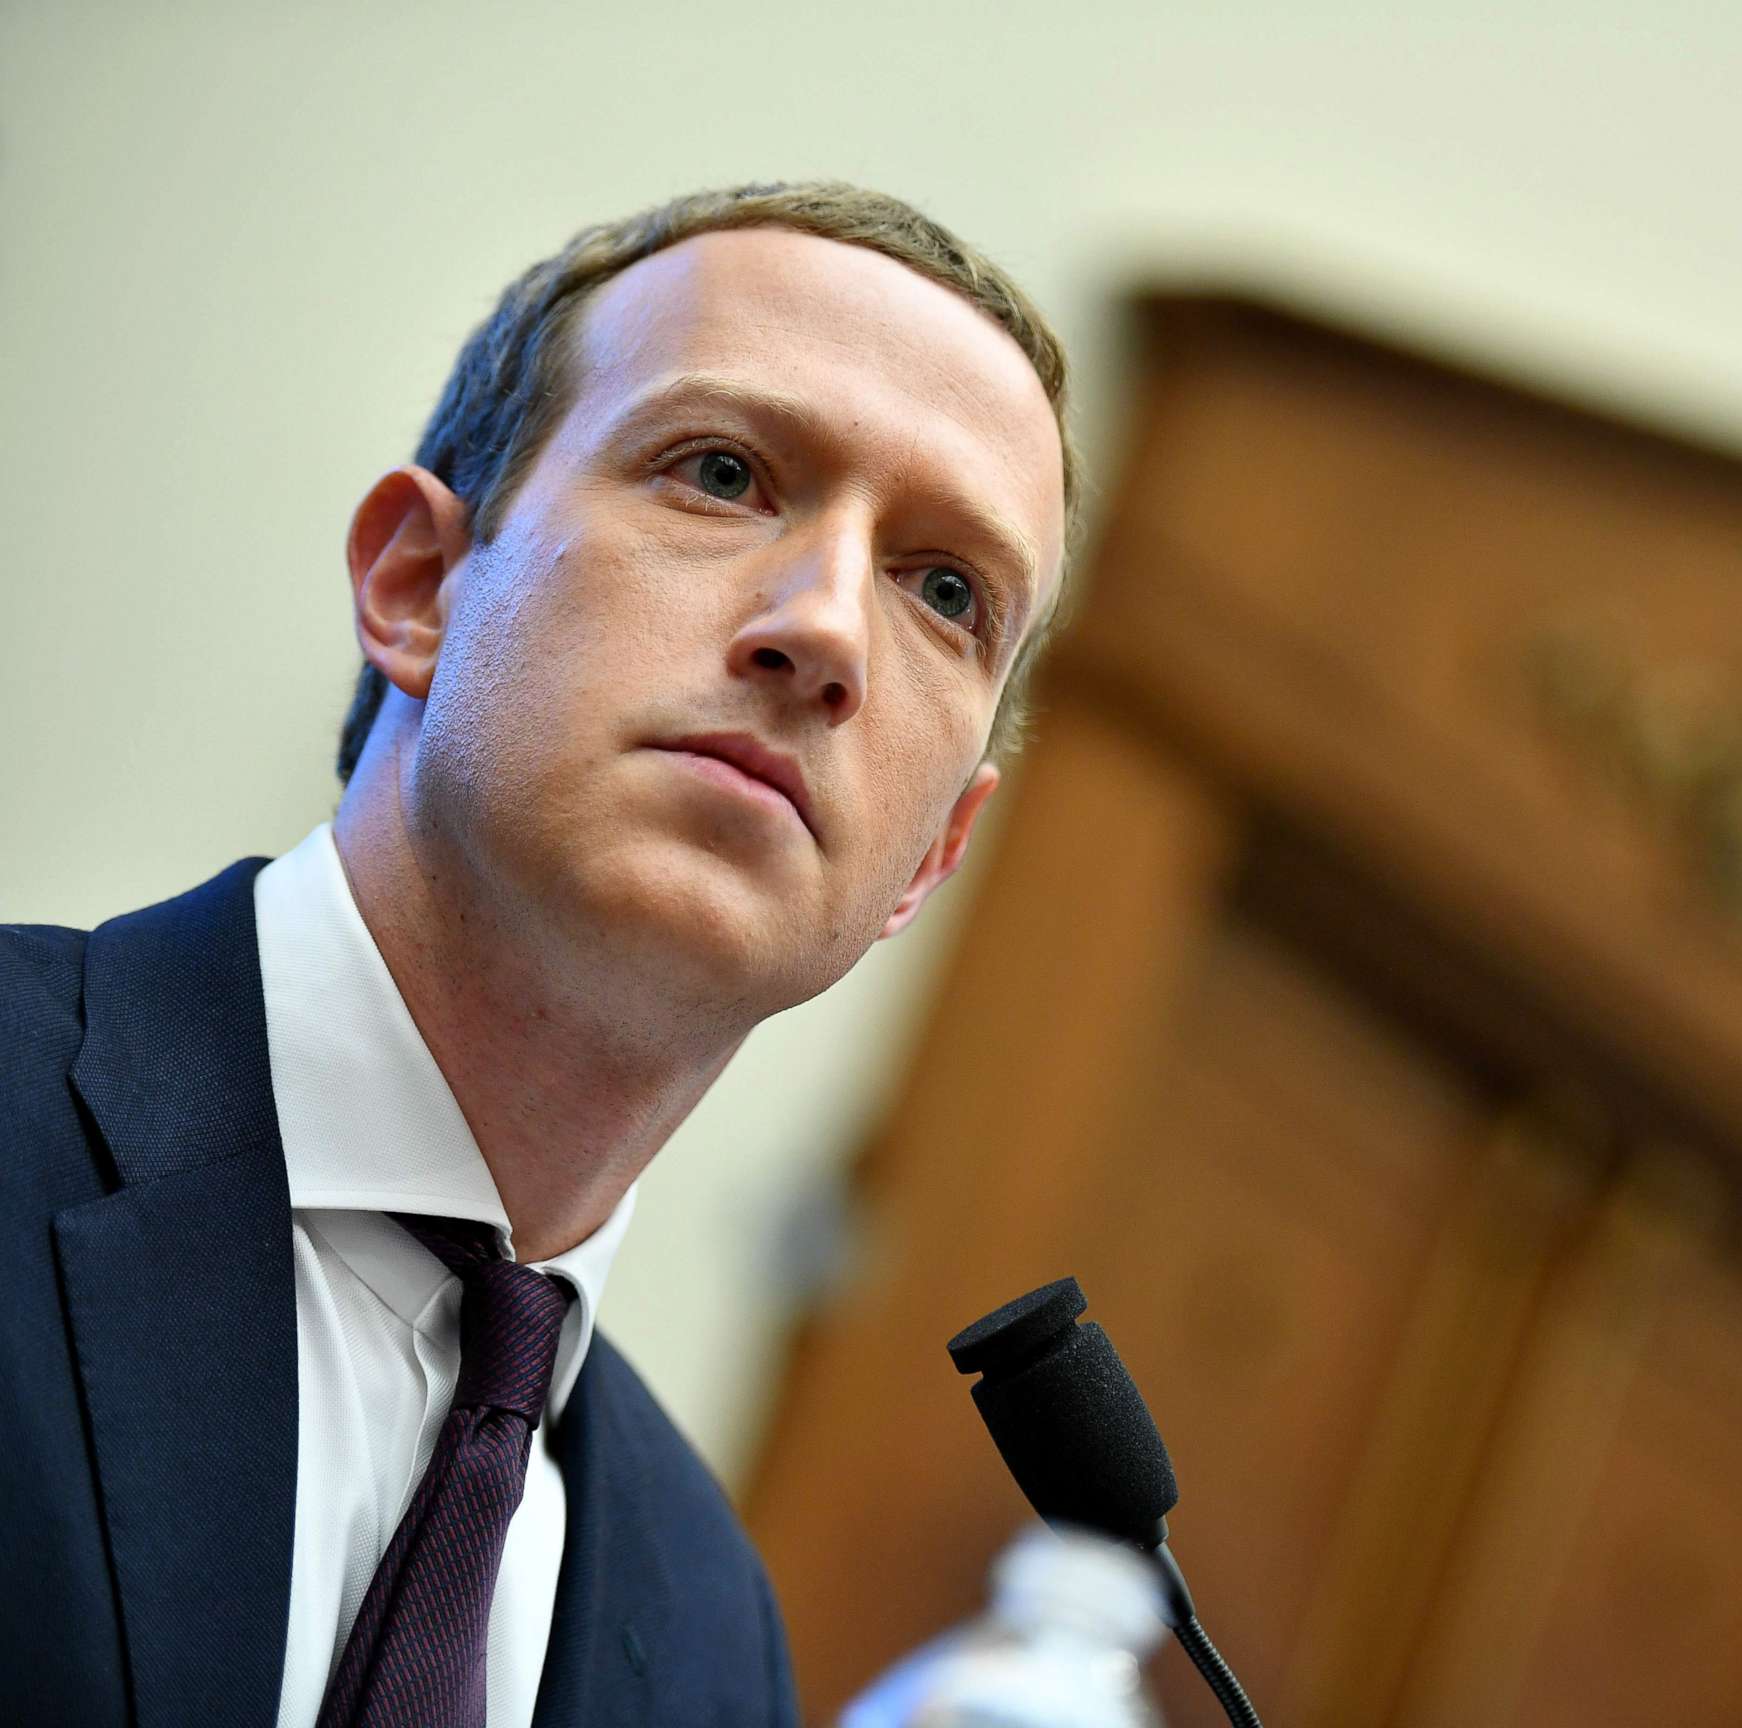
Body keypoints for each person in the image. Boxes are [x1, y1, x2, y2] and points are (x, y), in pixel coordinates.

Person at [0, 180, 1077, 1728]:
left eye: (947, 590)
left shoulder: (711, 1635)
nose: (828, 630)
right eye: (724, 472)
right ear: (419, 585)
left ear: (936, 855)